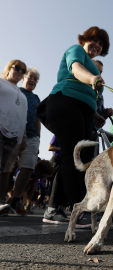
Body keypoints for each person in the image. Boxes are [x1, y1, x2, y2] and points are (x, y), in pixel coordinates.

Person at [42, 26, 110, 224]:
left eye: (101, 44)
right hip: (66, 102)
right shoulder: (77, 51)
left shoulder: (93, 66)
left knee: (82, 160)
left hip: (83, 112)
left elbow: (88, 95)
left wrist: (96, 114)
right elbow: (75, 69)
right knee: (73, 156)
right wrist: (92, 78)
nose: (96, 45)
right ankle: (68, 209)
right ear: (84, 39)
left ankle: (62, 208)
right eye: (94, 40)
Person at [7, 68, 41, 215]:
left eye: (36, 79)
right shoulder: (15, 91)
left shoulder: (37, 98)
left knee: (27, 169)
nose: (32, 80)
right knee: (6, 167)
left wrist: (38, 138)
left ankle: (15, 200)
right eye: (30, 77)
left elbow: (38, 119)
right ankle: (3, 198)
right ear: (23, 78)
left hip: (33, 137)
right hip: (14, 134)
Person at [0, 60, 28, 213]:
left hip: (13, 137)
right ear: (9, 68)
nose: (19, 72)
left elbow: (23, 118)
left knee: (6, 171)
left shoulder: (22, 96)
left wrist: (22, 137)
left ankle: (1, 200)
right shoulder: (1, 83)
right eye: (17, 68)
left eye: (23, 71)